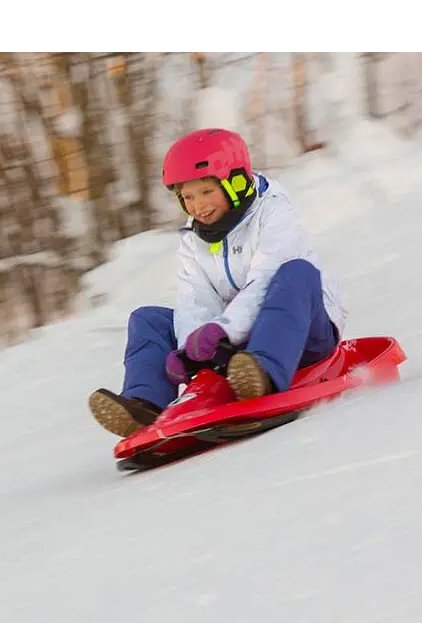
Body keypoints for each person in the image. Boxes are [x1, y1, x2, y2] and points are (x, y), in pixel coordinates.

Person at [88, 128, 346, 437]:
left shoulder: (274, 213)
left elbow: (263, 282)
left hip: (303, 333)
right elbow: (194, 298)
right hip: (237, 347)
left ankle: (263, 375)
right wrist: (189, 349)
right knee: (148, 319)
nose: (198, 206)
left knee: (296, 273)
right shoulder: (194, 236)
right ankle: (145, 404)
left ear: (235, 182)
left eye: (207, 191)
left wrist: (224, 330)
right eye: (188, 197)